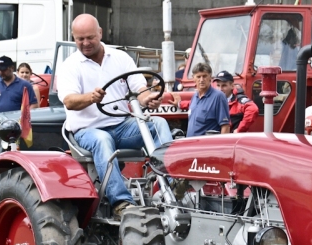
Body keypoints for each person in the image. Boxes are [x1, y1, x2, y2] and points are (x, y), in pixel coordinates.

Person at [56, 14, 172, 218]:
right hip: (87, 130)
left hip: (121, 126)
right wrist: (91, 97)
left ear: (100, 33)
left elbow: (140, 91)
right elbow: (69, 101)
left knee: (158, 123)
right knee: (103, 139)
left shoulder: (120, 58)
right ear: (73, 38)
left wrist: (149, 99)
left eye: (90, 37)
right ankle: (122, 202)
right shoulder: (69, 66)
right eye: (79, 39)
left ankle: (172, 184)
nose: (85, 43)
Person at [170, 63, 230, 137]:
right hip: (191, 144)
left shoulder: (218, 97)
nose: (201, 80)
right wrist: (179, 103)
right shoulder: (195, 96)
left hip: (207, 146)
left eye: (204, 76)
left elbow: (225, 126)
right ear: (193, 78)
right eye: (198, 77)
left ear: (210, 77)